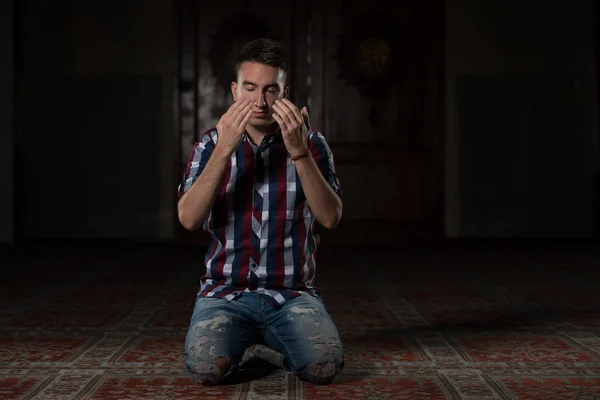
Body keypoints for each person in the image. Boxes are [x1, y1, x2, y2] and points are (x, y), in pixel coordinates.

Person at [177, 38, 344, 386]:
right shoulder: (208, 145)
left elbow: (330, 217)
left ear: (285, 92)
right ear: (235, 90)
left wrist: (298, 151)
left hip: (292, 294)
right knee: (207, 369)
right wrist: (225, 149)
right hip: (225, 293)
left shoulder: (312, 142)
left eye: (271, 90)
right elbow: (189, 219)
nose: (260, 101)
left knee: (324, 367)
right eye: (250, 88)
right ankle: (252, 344)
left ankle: (269, 349)